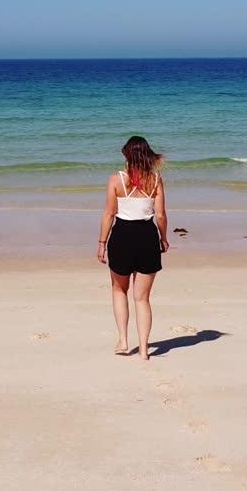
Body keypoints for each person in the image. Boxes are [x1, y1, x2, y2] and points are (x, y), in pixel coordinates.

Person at [97, 136, 169, 359]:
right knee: (142, 298)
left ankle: (124, 340)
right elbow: (160, 215)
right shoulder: (155, 180)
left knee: (119, 290)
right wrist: (163, 238)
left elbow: (109, 213)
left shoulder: (116, 180)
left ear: (127, 155)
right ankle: (145, 350)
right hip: (147, 236)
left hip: (122, 237)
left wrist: (101, 243)